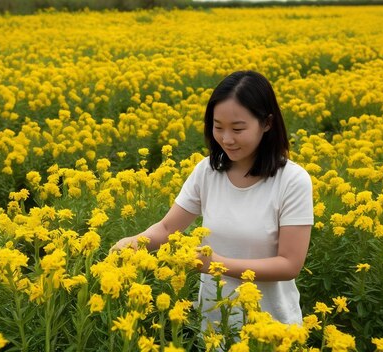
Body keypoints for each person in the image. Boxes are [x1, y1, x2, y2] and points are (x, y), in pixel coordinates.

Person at [111, 70, 313, 328]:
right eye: (218, 127)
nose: (226, 139)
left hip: (271, 330)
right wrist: (130, 244)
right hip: (214, 327)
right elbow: (166, 228)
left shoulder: (292, 181)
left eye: (238, 129)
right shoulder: (207, 171)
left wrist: (216, 264)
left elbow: (289, 264)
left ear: (267, 123)